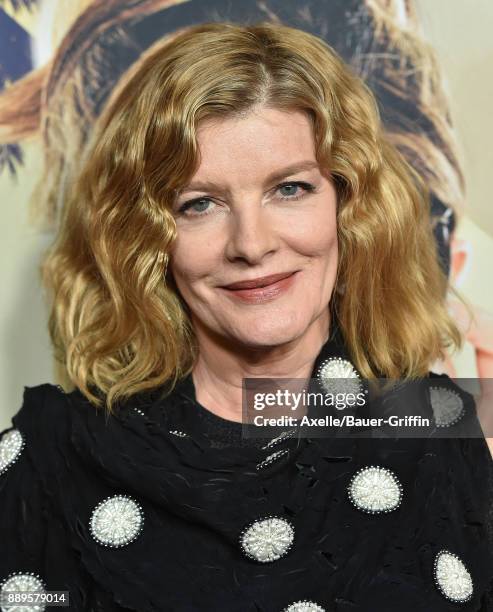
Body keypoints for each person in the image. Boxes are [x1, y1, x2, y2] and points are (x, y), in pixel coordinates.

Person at [0, 21, 492, 612]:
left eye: (289, 189)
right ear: (146, 239)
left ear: (348, 204)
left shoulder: (440, 427)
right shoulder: (47, 463)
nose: (251, 244)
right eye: (199, 204)